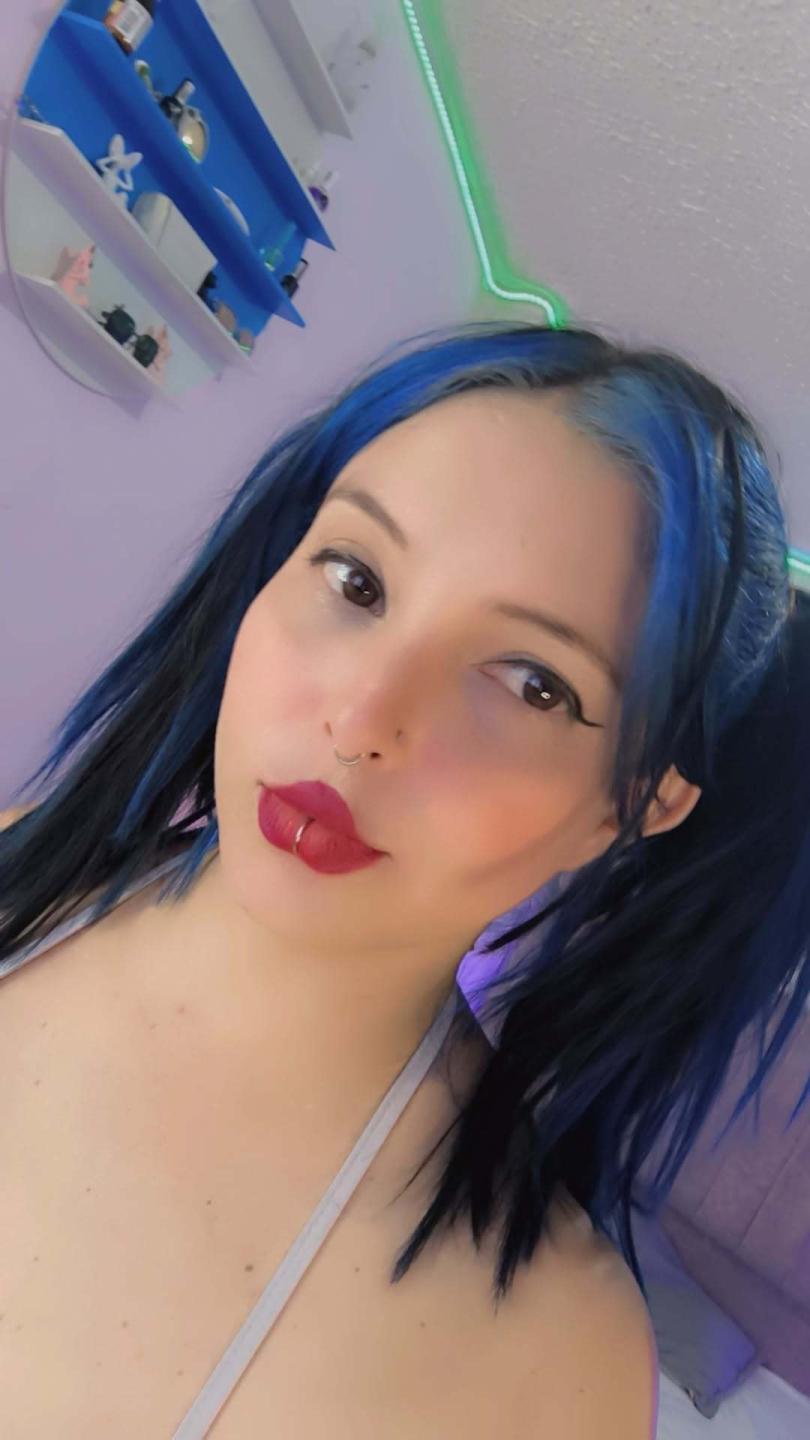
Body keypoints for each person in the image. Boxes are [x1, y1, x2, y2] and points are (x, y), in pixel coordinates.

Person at [1, 320, 807, 1439]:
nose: (363, 717)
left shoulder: (552, 1366)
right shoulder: (17, 869)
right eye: (358, 579)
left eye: (532, 683)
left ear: (630, 808)